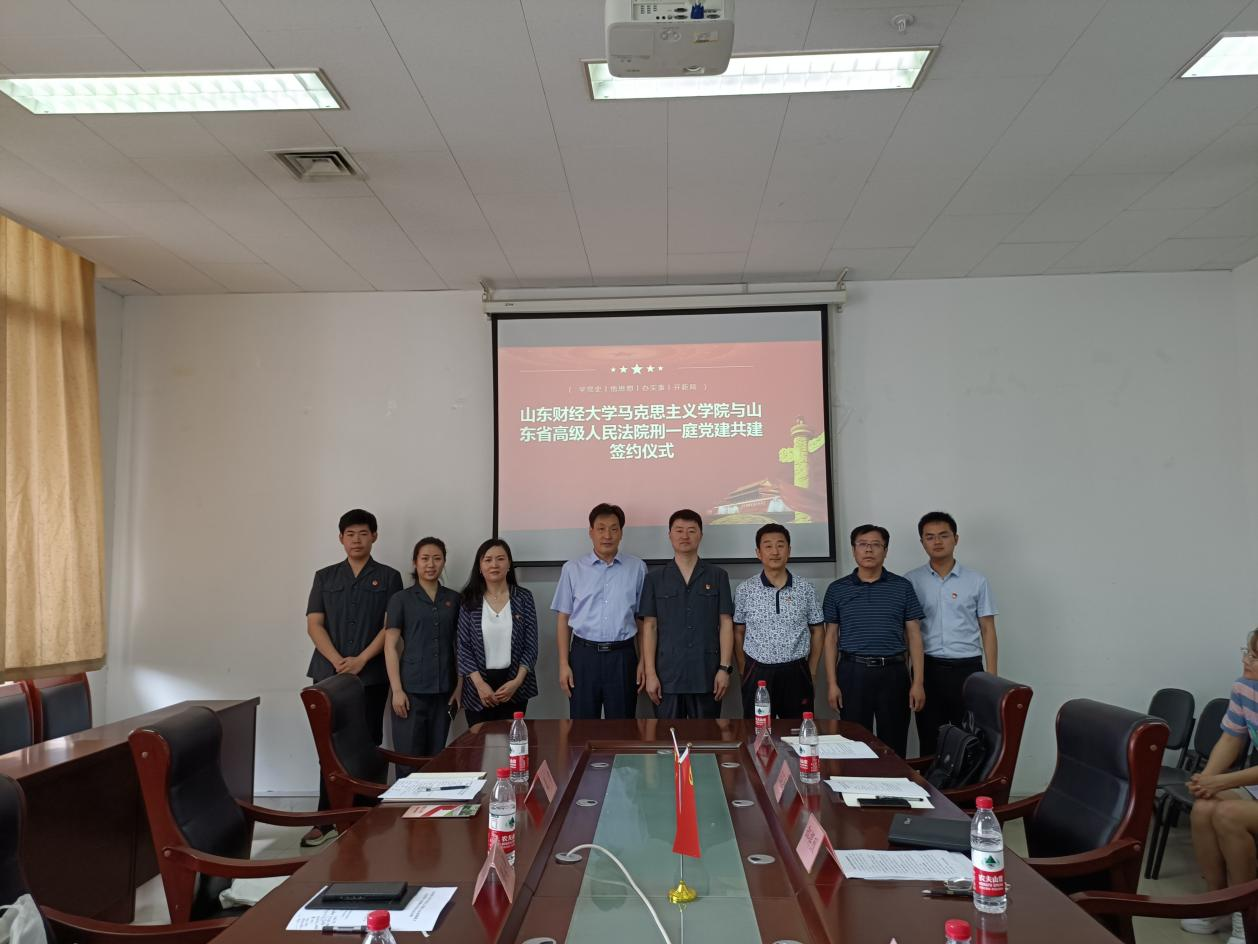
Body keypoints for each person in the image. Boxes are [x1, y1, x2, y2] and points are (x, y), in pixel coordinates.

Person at [304, 508, 402, 846]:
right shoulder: (325, 577)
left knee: (368, 742)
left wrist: (361, 660)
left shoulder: (389, 577)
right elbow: (314, 624)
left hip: (371, 674)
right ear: (341, 538)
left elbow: (390, 626)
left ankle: (364, 813)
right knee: (328, 746)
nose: (356, 540)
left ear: (374, 536)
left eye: (363, 533)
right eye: (350, 534)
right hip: (327, 675)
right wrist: (337, 660)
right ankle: (325, 818)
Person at [822, 524, 925, 758]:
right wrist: (832, 683)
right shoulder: (837, 589)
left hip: (894, 673)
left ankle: (895, 781)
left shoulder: (902, 587)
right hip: (852, 672)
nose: (869, 550)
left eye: (876, 545)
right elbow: (830, 638)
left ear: (885, 551)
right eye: (863, 544)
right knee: (854, 744)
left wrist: (918, 682)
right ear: (853, 550)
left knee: (894, 743)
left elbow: (914, 636)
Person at [1181, 630, 1258, 944]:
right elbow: (1231, 739)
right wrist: (1206, 781)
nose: (1246, 659)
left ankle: (1246, 915)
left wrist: (1222, 781)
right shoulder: (1244, 687)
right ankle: (1217, 903)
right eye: (1247, 652)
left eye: (1255, 656)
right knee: (1204, 807)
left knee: (1228, 815)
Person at [905, 511, 998, 756]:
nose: (937, 542)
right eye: (930, 537)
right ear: (922, 542)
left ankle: (966, 783)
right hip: (928, 669)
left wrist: (992, 678)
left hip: (968, 670)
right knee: (929, 738)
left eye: (944, 535)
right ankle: (931, 781)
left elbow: (988, 629)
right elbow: (908, 632)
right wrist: (911, 677)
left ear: (956, 539)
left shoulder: (976, 581)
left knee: (969, 740)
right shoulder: (911, 581)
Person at [552, 503, 647, 720]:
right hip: (583, 657)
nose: (607, 535)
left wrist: (643, 661)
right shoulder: (572, 569)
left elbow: (642, 620)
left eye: (614, 529)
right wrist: (564, 664)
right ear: (591, 532)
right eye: (601, 529)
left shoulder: (637, 568)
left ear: (621, 533)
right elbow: (563, 619)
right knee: (582, 728)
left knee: (622, 728)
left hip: (622, 656)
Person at [640, 509, 734, 719]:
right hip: (667, 676)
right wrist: (650, 673)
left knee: (707, 736)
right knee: (669, 737)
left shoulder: (718, 576)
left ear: (700, 535)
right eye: (679, 530)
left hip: (707, 674)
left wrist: (724, 669)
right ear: (669, 535)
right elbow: (649, 627)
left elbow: (726, 623)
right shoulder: (655, 579)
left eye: (691, 531)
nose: (685, 536)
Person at [383, 537, 461, 772]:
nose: (431, 564)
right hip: (410, 691)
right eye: (425, 558)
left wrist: (459, 687)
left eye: (437, 558)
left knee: (436, 761)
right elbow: (390, 646)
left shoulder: (454, 599)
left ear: (444, 562)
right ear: (415, 562)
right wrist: (397, 690)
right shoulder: (400, 599)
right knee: (408, 761)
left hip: (444, 690)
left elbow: (461, 646)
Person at [732, 523, 824, 719]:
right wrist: (743, 669)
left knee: (797, 729)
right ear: (758, 553)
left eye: (780, 545)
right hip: (757, 671)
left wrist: (812, 670)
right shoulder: (745, 590)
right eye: (768, 546)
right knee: (757, 730)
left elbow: (818, 630)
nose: (775, 552)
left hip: (796, 671)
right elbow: (738, 632)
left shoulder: (805, 588)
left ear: (789, 551)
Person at [457, 538, 539, 726]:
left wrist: (517, 682)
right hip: (478, 688)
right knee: (479, 743)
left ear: (509, 564)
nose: (494, 564)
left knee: (512, 740)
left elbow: (531, 645)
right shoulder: (469, 599)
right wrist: (480, 685)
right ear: (479, 567)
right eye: (488, 560)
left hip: (515, 685)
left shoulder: (523, 597)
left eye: (500, 559)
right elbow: (463, 647)